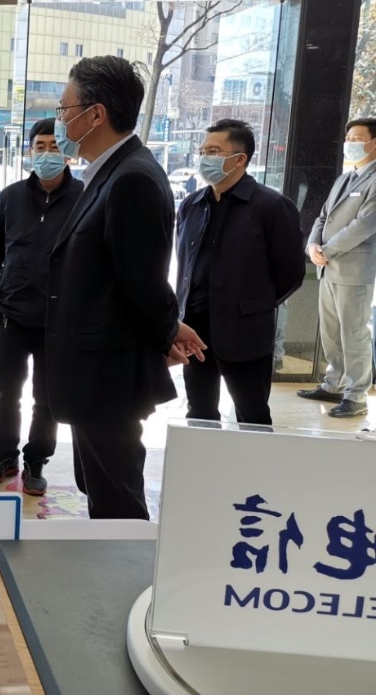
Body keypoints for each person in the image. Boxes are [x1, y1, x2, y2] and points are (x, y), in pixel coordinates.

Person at [48, 56, 205, 520]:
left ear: (95, 114)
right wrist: (168, 327)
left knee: (117, 500)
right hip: (96, 372)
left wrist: (167, 330)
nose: (60, 120)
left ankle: (126, 567)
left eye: (64, 108)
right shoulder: (112, 172)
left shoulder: (131, 178)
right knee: (100, 488)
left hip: (108, 377)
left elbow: (142, 279)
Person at [0, 117, 83, 495]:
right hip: (11, 314)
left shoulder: (85, 196)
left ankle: (36, 460)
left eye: (56, 146)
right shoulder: (10, 196)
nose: (47, 153)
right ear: (30, 151)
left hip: (60, 318)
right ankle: (5, 454)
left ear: (68, 152)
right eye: (40, 146)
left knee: (47, 397)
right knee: (5, 391)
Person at [176, 119, 305, 425]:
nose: (204, 158)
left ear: (239, 159)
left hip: (244, 332)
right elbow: (185, 265)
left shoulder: (272, 206)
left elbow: (290, 272)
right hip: (195, 331)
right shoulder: (191, 205)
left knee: (252, 416)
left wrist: (254, 304)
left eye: (214, 151)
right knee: (199, 413)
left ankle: (255, 459)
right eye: (202, 151)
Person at [299, 118, 376, 417]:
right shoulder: (345, 178)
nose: (349, 143)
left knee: (354, 334)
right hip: (327, 267)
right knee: (331, 332)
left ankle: (356, 396)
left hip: (353, 271)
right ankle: (334, 384)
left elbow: (363, 225)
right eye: (348, 138)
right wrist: (312, 246)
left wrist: (326, 251)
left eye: (356, 138)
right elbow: (322, 216)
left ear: (373, 143)